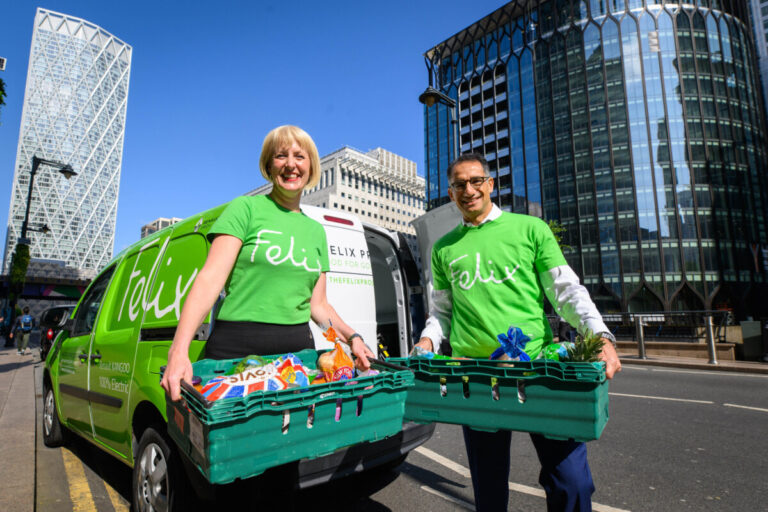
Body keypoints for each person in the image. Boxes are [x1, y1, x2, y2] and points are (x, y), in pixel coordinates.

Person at [415, 153, 621, 512]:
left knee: (571, 481)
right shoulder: (443, 249)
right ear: (451, 193)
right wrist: (428, 339)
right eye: (460, 184)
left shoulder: (530, 229)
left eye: (476, 180)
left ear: (490, 184)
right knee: (489, 487)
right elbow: (442, 310)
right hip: (477, 378)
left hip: (539, 369)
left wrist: (600, 335)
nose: (469, 189)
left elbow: (566, 292)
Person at [161, 125, 374, 402]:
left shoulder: (316, 231)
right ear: (268, 166)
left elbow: (318, 306)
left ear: (311, 167)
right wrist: (178, 351)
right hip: (234, 350)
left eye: (299, 156)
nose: (290, 164)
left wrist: (351, 337)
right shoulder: (244, 209)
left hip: (297, 357)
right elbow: (210, 280)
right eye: (280, 156)